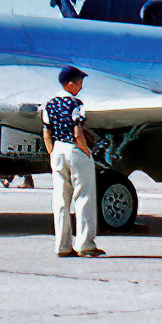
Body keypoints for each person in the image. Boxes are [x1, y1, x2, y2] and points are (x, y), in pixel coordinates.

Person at [41, 65, 103, 258]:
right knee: (84, 196)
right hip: (74, 149)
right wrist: (85, 151)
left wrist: (52, 152)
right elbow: (78, 131)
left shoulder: (49, 104)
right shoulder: (76, 104)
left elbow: (46, 133)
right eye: (79, 83)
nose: (81, 87)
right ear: (70, 84)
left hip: (57, 149)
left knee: (60, 198)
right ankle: (86, 244)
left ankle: (62, 245)